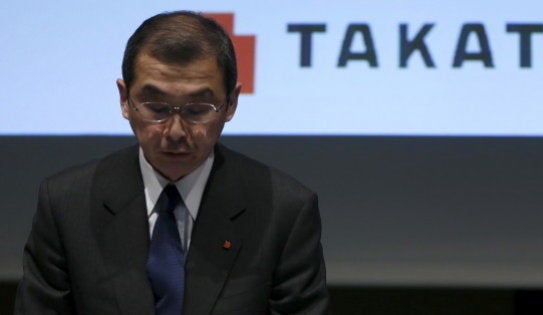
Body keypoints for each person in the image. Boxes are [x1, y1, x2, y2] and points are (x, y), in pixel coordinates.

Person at [14, 11, 329, 315]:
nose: (175, 132)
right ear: (125, 99)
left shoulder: (284, 210)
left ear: (231, 103)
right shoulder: (67, 205)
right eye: (156, 107)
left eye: (197, 109)